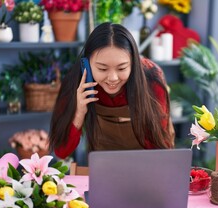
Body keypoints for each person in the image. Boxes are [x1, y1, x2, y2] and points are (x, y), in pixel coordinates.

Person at [49, 22, 175, 159]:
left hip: (147, 165)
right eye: (102, 69)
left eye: (121, 68)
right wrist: (79, 113)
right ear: (86, 63)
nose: (113, 78)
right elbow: (61, 152)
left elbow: (162, 148)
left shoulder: (152, 79)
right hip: (103, 167)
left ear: (133, 63)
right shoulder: (77, 83)